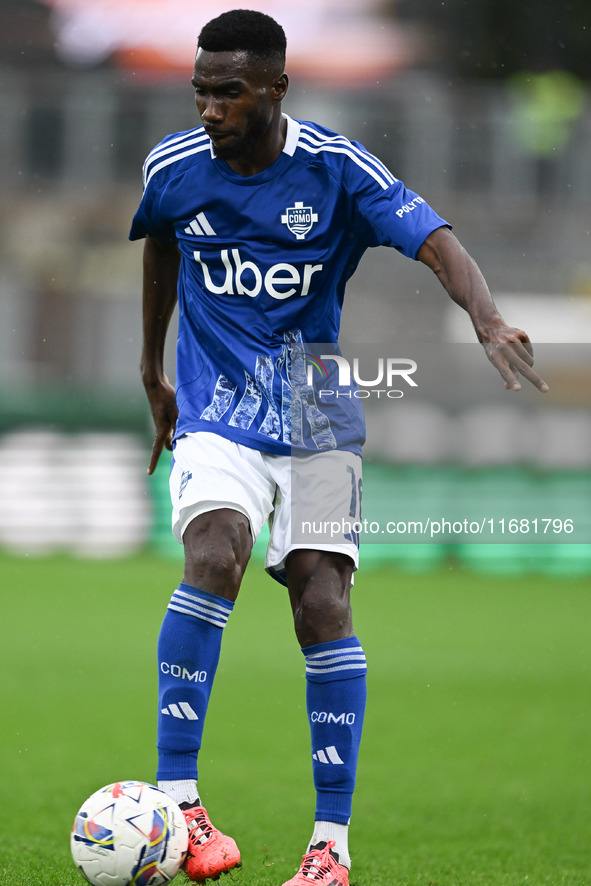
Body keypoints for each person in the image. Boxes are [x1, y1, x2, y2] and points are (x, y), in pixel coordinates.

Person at [130, 9, 548, 885]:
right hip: (217, 401)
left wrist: (486, 320)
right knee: (214, 554)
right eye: (200, 89)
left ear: (275, 89)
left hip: (316, 405)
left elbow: (433, 238)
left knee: (320, 599)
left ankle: (330, 848)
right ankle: (178, 807)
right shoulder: (172, 167)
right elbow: (161, 244)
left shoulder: (336, 167)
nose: (208, 107)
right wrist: (152, 370)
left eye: (228, 91)